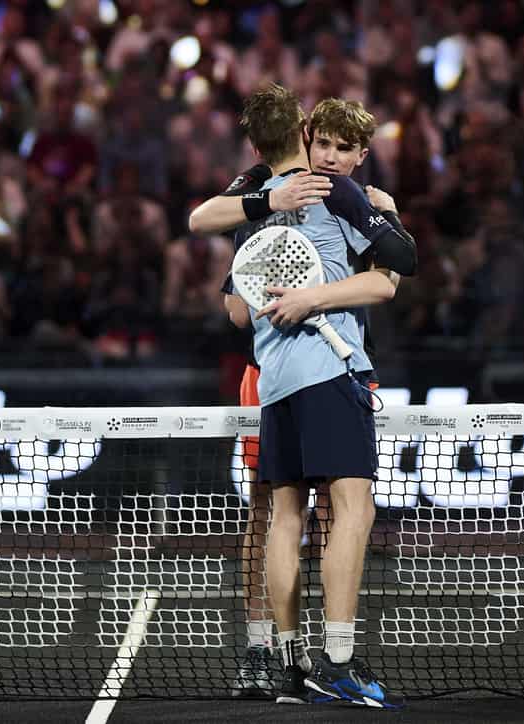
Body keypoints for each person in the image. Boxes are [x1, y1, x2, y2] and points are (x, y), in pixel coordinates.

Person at [194, 98, 415, 701]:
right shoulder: (336, 193)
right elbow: (393, 272)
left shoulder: (252, 202)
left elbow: (237, 309)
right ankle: (339, 662)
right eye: (328, 144)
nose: (335, 157)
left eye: (347, 150)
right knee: (352, 510)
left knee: (282, 516)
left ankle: (286, 663)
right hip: (328, 367)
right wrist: (387, 217)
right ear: (306, 135)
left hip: (274, 378)